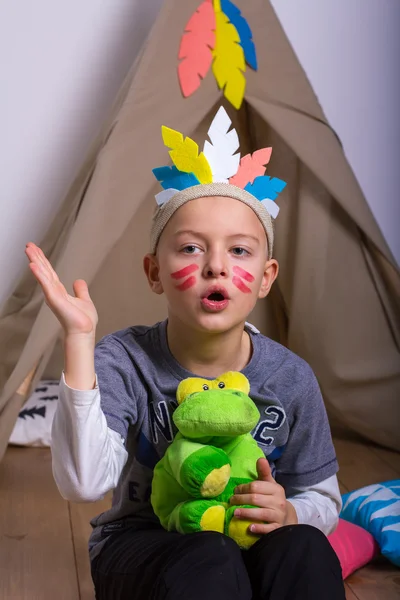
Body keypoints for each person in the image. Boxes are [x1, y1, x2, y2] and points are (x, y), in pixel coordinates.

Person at [25, 110, 345, 600]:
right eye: (192, 248)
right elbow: (83, 484)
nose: (216, 266)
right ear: (154, 272)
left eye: (239, 251)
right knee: (210, 558)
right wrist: (79, 341)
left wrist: (292, 512)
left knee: (306, 548)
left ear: (266, 276)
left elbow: (321, 497)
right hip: (141, 549)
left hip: (248, 542)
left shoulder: (290, 378)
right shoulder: (123, 359)